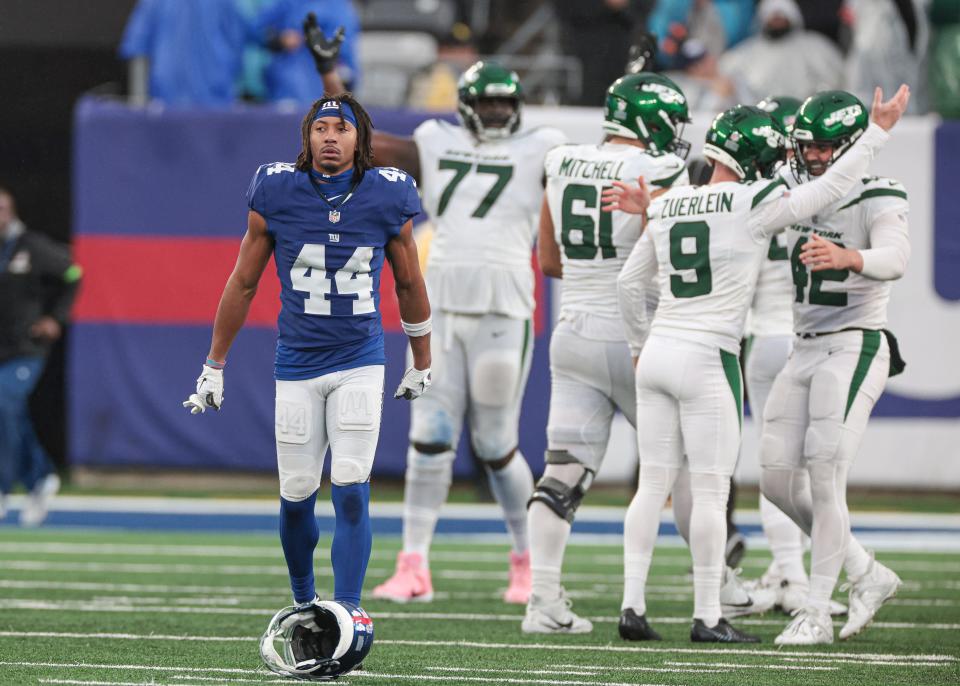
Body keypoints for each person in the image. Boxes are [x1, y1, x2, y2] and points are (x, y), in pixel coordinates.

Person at [608, 84, 909, 642]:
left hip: (662, 351)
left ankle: (635, 606)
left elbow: (630, 282)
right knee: (726, 488)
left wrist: (635, 343)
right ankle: (709, 615)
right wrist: (878, 134)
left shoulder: (671, 199)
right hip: (717, 353)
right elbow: (829, 187)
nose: (790, 163)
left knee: (654, 485)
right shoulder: (756, 200)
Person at [183, 94, 432, 674]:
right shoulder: (275, 189)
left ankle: (346, 612)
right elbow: (243, 283)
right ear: (306, 137)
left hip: (360, 358)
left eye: (340, 129)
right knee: (297, 495)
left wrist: (420, 357)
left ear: (358, 140)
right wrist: (213, 364)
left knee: (349, 483)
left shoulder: (388, 192)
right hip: (296, 361)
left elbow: (410, 281)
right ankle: (304, 605)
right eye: (319, 127)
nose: (329, 138)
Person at [313, 48, 567, 603]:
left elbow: (593, 173)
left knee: (497, 443)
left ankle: (527, 564)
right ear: (469, 106)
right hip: (439, 306)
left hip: (504, 307)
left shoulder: (542, 148)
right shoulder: (435, 140)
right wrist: (330, 78)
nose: (499, 113)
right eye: (489, 103)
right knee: (427, 439)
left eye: (506, 103)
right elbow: (361, 142)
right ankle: (414, 566)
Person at [523, 72, 692, 634]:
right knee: (689, 465)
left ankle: (542, 599)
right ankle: (721, 586)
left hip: (573, 330)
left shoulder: (561, 160)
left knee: (563, 473)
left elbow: (548, 260)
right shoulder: (661, 170)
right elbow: (676, 253)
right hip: (641, 333)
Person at [759, 90, 910, 645]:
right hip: (801, 346)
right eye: (808, 146)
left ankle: (817, 612)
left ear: (851, 147)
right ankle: (865, 572)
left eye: (827, 148)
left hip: (854, 343)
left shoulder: (879, 193)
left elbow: (895, 258)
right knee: (777, 481)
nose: (816, 157)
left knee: (825, 476)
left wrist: (851, 258)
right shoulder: (797, 190)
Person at [0, 187, 80, 526]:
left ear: (11, 211)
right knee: (8, 413)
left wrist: (55, 317)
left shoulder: (32, 247)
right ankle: (39, 476)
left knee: (4, 403)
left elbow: (74, 274)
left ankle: (5, 487)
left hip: (26, 349)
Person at [119, 0, 249, 107]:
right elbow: (238, 44)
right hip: (210, 104)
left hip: (175, 104)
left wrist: (139, 108)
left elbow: (137, 49)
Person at [254, 0, 361, 102]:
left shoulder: (339, 8)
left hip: (323, 91)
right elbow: (255, 30)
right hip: (285, 91)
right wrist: (279, 39)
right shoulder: (287, 3)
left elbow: (346, 61)